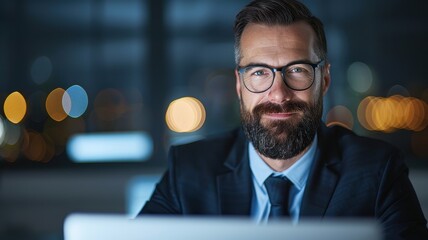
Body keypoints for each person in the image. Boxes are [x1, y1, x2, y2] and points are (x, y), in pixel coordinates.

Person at [140, 0, 428, 238]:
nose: (278, 95)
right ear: (239, 86)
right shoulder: (188, 170)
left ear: (324, 79)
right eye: (259, 73)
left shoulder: (377, 172)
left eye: (297, 70)